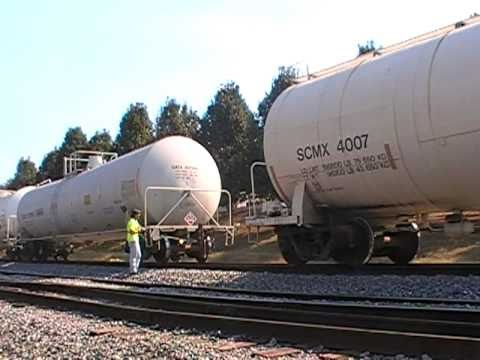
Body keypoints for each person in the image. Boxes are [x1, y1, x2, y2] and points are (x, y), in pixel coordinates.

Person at [126, 208, 144, 275]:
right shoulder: (131, 222)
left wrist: (142, 229)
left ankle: (135, 269)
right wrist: (139, 230)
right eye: (138, 214)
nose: (139, 216)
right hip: (132, 240)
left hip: (136, 239)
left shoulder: (136, 221)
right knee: (133, 255)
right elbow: (131, 231)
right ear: (135, 215)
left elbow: (139, 227)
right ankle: (133, 271)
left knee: (139, 255)